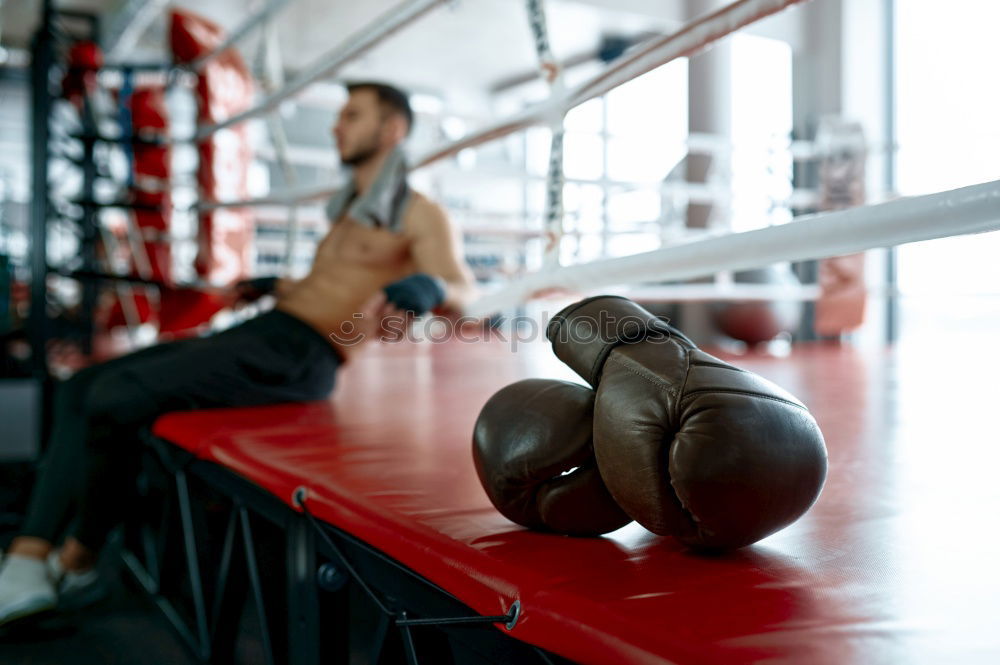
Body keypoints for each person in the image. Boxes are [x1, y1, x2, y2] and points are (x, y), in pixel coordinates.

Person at [0, 81, 477, 627]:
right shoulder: (349, 214)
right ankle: (68, 564)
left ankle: (34, 563)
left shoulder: (418, 213)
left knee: (113, 396)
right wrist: (279, 283)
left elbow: (462, 288)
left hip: (305, 354)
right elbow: (331, 284)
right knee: (82, 386)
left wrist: (427, 288)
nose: (335, 125)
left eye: (352, 115)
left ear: (391, 130)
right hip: (266, 330)